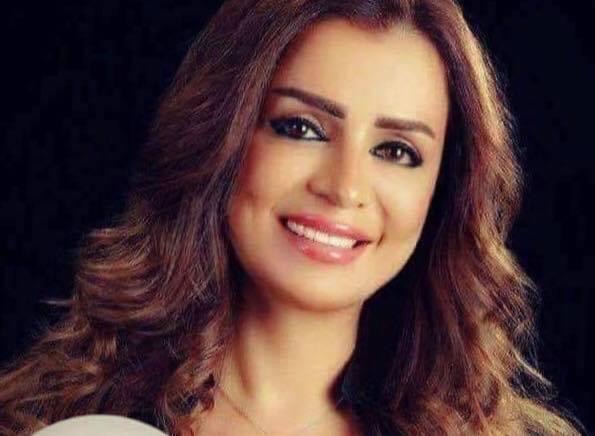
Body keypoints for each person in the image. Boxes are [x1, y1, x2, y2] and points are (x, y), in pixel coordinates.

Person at [0, 0, 584, 435]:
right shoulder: (64, 422)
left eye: (396, 151)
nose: (344, 187)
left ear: (443, 192)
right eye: (301, 128)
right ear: (221, 140)